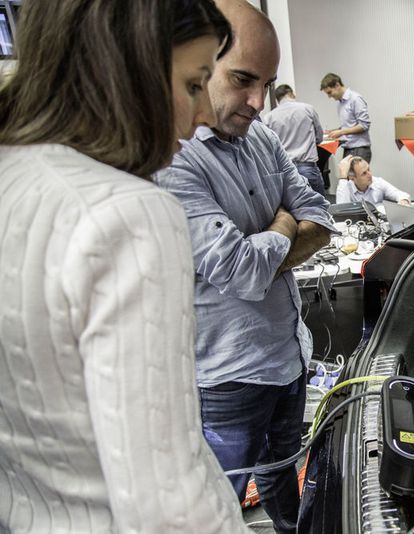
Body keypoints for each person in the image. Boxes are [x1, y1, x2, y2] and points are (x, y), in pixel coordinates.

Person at [0, 1, 251, 532]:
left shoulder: (14, 176)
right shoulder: (131, 215)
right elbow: (169, 511)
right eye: (192, 84)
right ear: (125, 70)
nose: (204, 116)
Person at [155, 2, 336, 532]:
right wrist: (285, 224)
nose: (258, 102)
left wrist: (268, 245)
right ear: (200, 65)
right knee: (217, 501)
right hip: (229, 378)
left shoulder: (262, 137)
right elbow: (238, 269)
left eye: (268, 84)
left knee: (282, 472)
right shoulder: (175, 158)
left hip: (289, 353)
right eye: (242, 80)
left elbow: (321, 219)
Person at [263, 83, 326, 196]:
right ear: (291, 94)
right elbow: (319, 137)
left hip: (285, 170)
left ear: (277, 99)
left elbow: (269, 146)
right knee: (319, 204)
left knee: (293, 205)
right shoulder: (308, 109)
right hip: (307, 166)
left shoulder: (269, 117)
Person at [320, 72, 372, 161]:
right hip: (348, 148)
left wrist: (341, 132)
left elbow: (364, 125)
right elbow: (349, 125)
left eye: (329, 92)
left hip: (359, 149)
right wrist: (333, 131)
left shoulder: (355, 99)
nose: (329, 96)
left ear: (337, 85)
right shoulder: (340, 104)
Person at [336, 155, 411, 205]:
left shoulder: (377, 182)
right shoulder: (346, 187)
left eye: (368, 169)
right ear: (352, 178)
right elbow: (340, 209)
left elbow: (401, 194)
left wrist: (404, 201)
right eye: (364, 173)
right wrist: (343, 176)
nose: (369, 174)